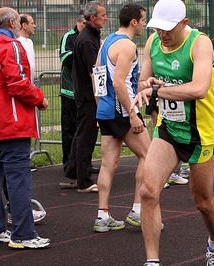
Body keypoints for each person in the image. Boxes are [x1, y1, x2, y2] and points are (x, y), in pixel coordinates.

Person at [131, 0, 214, 265]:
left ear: (184, 24)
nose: (162, 34)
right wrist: (146, 83)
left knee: (203, 202)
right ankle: (152, 261)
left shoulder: (200, 43)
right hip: (169, 129)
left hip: (201, 133)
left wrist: (158, 91)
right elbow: (143, 81)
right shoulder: (152, 42)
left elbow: (199, 88)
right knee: (148, 191)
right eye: (157, 28)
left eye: (168, 28)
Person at [0, 7, 50, 248]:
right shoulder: (11, 46)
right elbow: (17, 84)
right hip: (12, 123)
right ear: (12, 23)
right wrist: (40, 98)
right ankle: (23, 234)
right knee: (18, 179)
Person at [92, 2, 150, 232]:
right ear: (134, 21)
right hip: (123, 112)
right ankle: (138, 210)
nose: (144, 24)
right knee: (149, 155)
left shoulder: (106, 41)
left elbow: (97, 78)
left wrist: (100, 109)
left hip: (107, 111)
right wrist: (134, 116)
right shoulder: (127, 46)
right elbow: (118, 83)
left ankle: (102, 216)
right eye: (143, 20)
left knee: (109, 164)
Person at [64, 1, 108, 193]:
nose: (106, 18)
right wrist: (101, 99)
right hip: (89, 96)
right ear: (93, 18)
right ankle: (84, 181)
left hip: (84, 94)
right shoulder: (87, 40)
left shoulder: (88, 37)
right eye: (103, 15)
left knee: (80, 134)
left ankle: (74, 173)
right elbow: (95, 73)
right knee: (86, 136)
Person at [58, 10, 86, 179]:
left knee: (84, 131)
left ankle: (83, 164)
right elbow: (64, 58)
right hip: (69, 92)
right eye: (82, 24)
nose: (84, 27)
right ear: (77, 22)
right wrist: (82, 50)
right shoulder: (69, 37)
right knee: (70, 131)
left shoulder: (92, 36)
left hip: (85, 93)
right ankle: (68, 165)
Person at [17, 13, 37, 172]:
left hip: (29, 89)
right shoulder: (17, 43)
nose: (34, 25)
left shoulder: (29, 42)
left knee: (30, 123)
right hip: (21, 91)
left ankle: (26, 157)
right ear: (24, 25)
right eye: (31, 23)